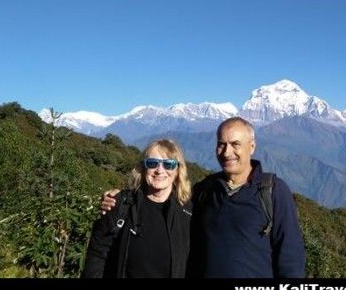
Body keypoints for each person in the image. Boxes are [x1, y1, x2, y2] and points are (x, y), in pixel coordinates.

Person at [100, 117, 306, 278]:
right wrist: (123, 198)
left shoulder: (272, 191)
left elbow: (291, 260)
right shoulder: (205, 190)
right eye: (221, 144)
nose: (227, 152)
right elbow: (164, 194)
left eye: (235, 144)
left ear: (251, 147)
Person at [82, 139, 193, 278]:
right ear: (143, 168)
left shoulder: (188, 212)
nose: (160, 170)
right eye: (152, 163)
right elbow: (97, 255)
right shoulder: (120, 204)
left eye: (168, 164)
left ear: (178, 171)